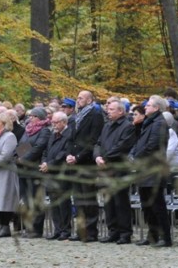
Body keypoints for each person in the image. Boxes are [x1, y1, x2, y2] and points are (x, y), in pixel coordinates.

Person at [129, 95, 171, 247]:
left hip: (154, 169)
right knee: (146, 205)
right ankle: (152, 235)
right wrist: (133, 155)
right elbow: (140, 143)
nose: (145, 107)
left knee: (157, 205)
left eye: (148, 105)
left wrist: (137, 157)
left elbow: (153, 146)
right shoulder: (148, 123)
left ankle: (165, 237)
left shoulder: (159, 123)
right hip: (144, 170)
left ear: (156, 108)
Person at [93, 100, 136, 245]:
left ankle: (125, 233)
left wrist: (105, 158)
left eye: (111, 109)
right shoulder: (106, 126)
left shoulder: (128, 127)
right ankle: (113, 231)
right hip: (105, 168)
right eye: (108, 109)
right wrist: (97, 156)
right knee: (108, 201)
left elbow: (123, 146)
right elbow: (98, 143)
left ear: (121, 111)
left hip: (119, 168)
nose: (108, 111)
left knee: (121, 202)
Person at [66, 90, 103, 242]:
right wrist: (69, 154)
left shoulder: (95, 114)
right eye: (78, 97)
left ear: (89, 100)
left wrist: (78, 157)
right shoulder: (76, 116)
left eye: (81, 98)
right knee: (78, 198)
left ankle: (91, 231)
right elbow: (71, 138)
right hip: (74, 161)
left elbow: (93, 140)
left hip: (86, 162)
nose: (78, 100)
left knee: (88, 197)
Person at [16, 107, 51, 238]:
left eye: (33, 116)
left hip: (35, 168)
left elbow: (39, 147)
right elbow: (22, 144)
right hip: (24, 169)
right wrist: (19, 158)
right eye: (30, 116)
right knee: (26, 199)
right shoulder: (28, 130)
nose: (30, 118)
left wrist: (24, 158)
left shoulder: (44, 130)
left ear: (39, 117)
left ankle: (36, 228)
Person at [39, 111, 73, 241]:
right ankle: (57, 229)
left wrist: (50, 164)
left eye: (56, 122)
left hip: (61, 172)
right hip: (50, 172)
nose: (54, 124)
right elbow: (46, 151)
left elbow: (64, 153)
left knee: (63, 202)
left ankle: (66, 230)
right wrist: (44, 162)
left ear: (64, 122)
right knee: (53, 202)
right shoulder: (53, 135)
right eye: (52, 122)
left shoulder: (69, 134)